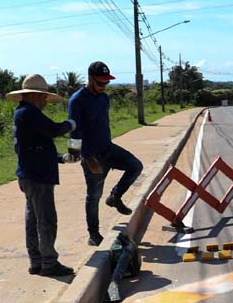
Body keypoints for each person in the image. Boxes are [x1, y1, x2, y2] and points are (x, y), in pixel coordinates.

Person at [8, 74, 79, 277]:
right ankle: (49, 263)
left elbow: (36, 146)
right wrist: (70, 125)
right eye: (43, 97)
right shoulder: (29, 112)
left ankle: (36, 261)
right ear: (34, 96)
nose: (45, 102)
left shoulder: (22, 113)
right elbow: (52, 130)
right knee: (46, 220)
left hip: (30, 174)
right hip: (38, 177)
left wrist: (61, 158)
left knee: (33, 220)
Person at [68, 61, 143, 246]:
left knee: (135, 166)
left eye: (106, 83)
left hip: (108, 149)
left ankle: (115, 197)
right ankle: (93, 235)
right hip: (92, 156)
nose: (103, 86)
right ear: (90, 79)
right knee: (94, 196)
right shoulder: (77, 100)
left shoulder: (104, 98)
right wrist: (84, 156)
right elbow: (74, 132)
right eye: (100, 83)